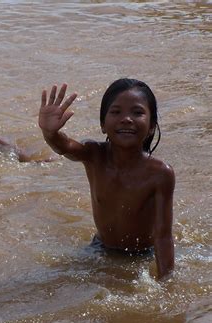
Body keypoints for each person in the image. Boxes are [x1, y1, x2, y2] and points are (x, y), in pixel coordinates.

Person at [38, 79, 175, 280]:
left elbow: (163, 237)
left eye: (137, 112)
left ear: (152, 126)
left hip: (140, 256)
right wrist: (50, 133)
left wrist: (166, 283)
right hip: (99, 249)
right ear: (103, 124)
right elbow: (65, 146)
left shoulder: (160, 173)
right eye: (116, 112)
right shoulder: (94, 154)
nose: (126, 119)